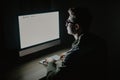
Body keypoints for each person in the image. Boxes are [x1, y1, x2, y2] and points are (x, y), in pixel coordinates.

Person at [44, 7, 107, 80]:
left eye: (68, 21)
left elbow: (52, 78)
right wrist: (69, 54)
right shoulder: (99, 42)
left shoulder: (73, 55)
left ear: (76, 26)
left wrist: (51, 63)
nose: (65, 24)